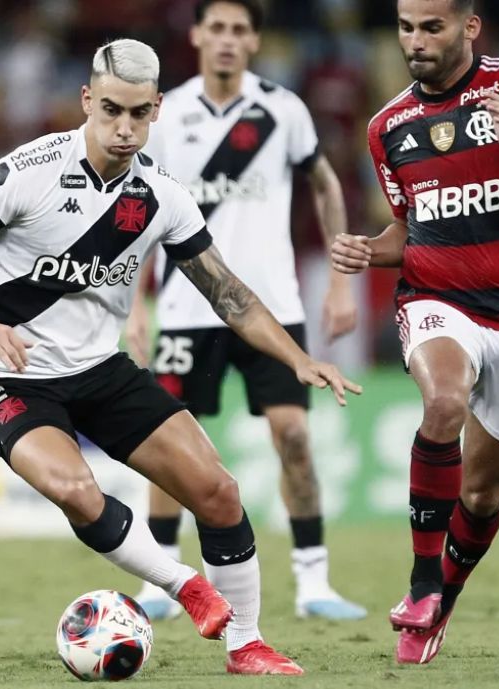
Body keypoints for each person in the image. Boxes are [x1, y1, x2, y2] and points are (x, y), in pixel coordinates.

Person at [0, 38, 361, 676]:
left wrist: (297, 359)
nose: (124, 129)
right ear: (86, 101)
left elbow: (229, 293)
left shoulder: (163, 196)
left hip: (98, 368)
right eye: (111, 111)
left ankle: (248, 646)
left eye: (138, 114)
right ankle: (185, 585)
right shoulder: (30, 169)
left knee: (218, 490)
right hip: (6, 369)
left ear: (156, 109)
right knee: (73, 486)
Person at [332, 0, 499, 664]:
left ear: (468, 27)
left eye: (432, 27)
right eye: (405, 27)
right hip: (436, 298)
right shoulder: (387, 126)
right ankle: (421, 583)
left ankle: (440, 601)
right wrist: (369, 248)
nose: (415, 42)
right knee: (444, 400)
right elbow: (412, 228)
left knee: (483, 494)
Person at [125, 0, 365, 622]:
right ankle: (161, 578)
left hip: (271, 307)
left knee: (293, 436)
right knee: (167, 444)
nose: (228, 40)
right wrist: (135, 307)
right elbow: (139, 214)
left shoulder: (283, 110)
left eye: (240, 30)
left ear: (254, 40)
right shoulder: (166, 112)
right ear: (198, 34)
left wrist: (340, 282)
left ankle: (313, 581)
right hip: (184, 303)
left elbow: (325, 183)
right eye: (218, 28)